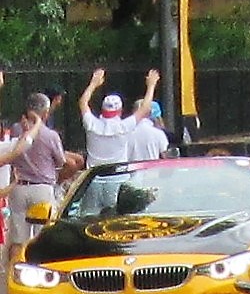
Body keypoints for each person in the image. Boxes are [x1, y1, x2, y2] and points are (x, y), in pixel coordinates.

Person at [79, 68, 159, 211]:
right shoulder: (124, 127)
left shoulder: (91, 125)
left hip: (93, 179)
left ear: (102, 110)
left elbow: (83, 102)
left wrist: (93, 83)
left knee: (90, 220)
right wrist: (151, 85)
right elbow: (145, 108)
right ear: (120, 111)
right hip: (117, 178)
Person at [6, 93, 70, 263]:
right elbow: (61, 161)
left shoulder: (16, 129)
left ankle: (13, 273)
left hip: (18, 187)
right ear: (46, 113)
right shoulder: (51, 136)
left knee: (18, 239)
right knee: (44, 237)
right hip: (42, 189)